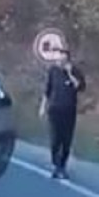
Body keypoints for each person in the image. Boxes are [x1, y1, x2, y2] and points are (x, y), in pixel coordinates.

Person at [39, 49, 86, 179]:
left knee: (66, 140)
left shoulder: (75, 72)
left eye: (64, 60)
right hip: (54, 110)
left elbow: (80, 87)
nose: (61, 62)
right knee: (55, 139)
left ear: (68, 60)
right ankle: (56, 163)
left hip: (69, 111)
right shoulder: (53, 71)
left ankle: (62, 166)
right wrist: (42, 107)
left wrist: (70, 73)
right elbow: (47, 90)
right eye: (59, 60)